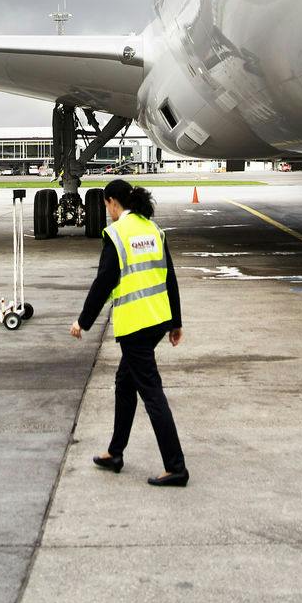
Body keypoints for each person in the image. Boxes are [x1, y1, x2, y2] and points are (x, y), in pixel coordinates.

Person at [69, 178, 189, 487]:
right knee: (125, 383)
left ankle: (176, 467)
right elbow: (169, 278)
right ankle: (115, 452)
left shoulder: (118, 234)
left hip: (135, 325)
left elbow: (104, 282)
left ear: (111, 202)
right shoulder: (152, 229)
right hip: (157, 321)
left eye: (106, 205)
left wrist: (82, 322)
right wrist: (175, 322)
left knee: (151, 393)